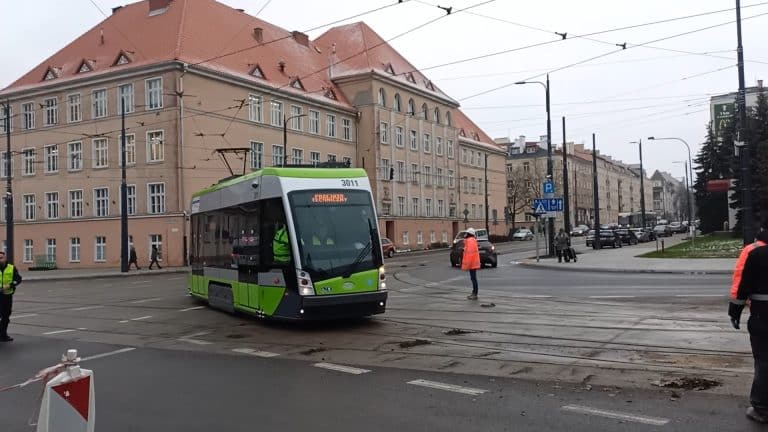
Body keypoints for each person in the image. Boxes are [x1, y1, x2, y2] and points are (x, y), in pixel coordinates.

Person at [729, 218, 768, 423]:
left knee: (763, 361)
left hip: (763, 315)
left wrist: (734, 312)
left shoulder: (754, 251)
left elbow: (742, 285)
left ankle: (761, 408)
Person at [0, 251, 23, 342]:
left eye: (1, 257)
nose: (0, 260)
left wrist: (10, 285)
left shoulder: (11, 268)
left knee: (5, 316)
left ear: (5, 258)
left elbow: (18, 279)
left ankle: (3, 335)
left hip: (7, 295)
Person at [461, 228, 481, 300]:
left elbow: (470, 254)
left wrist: (467, 265)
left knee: (473, 278)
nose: (465, 235)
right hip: (473, 263)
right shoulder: (470, 241)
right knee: (473, 278)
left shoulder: (470, 241)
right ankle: (474, 292)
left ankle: (475, 293)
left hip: (472, 263)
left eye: (466, 233)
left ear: (469, 234)